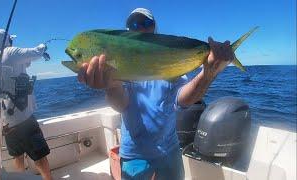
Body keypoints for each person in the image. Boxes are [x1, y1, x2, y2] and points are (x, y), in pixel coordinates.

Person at [77, 8, 234, 180]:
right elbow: (121, 104)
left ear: (154, 28)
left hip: (170, 150)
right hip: (134, 154)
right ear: (128, 31)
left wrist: (208, 74)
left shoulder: (170, 58)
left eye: (147, 23)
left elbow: (184, 99)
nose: (141, 28)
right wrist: (111, 86)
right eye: (134, 24)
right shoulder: (119, 61)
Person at [0, 29, 52, 180]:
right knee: (40, 157)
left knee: (18, 156)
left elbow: (23, 63)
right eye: (11, 40)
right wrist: (43, 48)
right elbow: (35, 52)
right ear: (7, 41)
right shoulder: (10, 52)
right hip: (24, 119)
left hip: (5, 123)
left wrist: (38, 56)